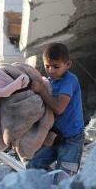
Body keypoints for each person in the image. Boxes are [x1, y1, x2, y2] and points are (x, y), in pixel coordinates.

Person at [26, 42, 85, 179]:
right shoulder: (49, 81)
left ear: (68, 64)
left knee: (63, 178)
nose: (51, 70)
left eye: (56, 66)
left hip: (72, 139)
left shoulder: (69, 80)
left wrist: (41, 90)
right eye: (47, 66)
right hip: (54, 136)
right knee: (33, 166)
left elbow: (59, 108)